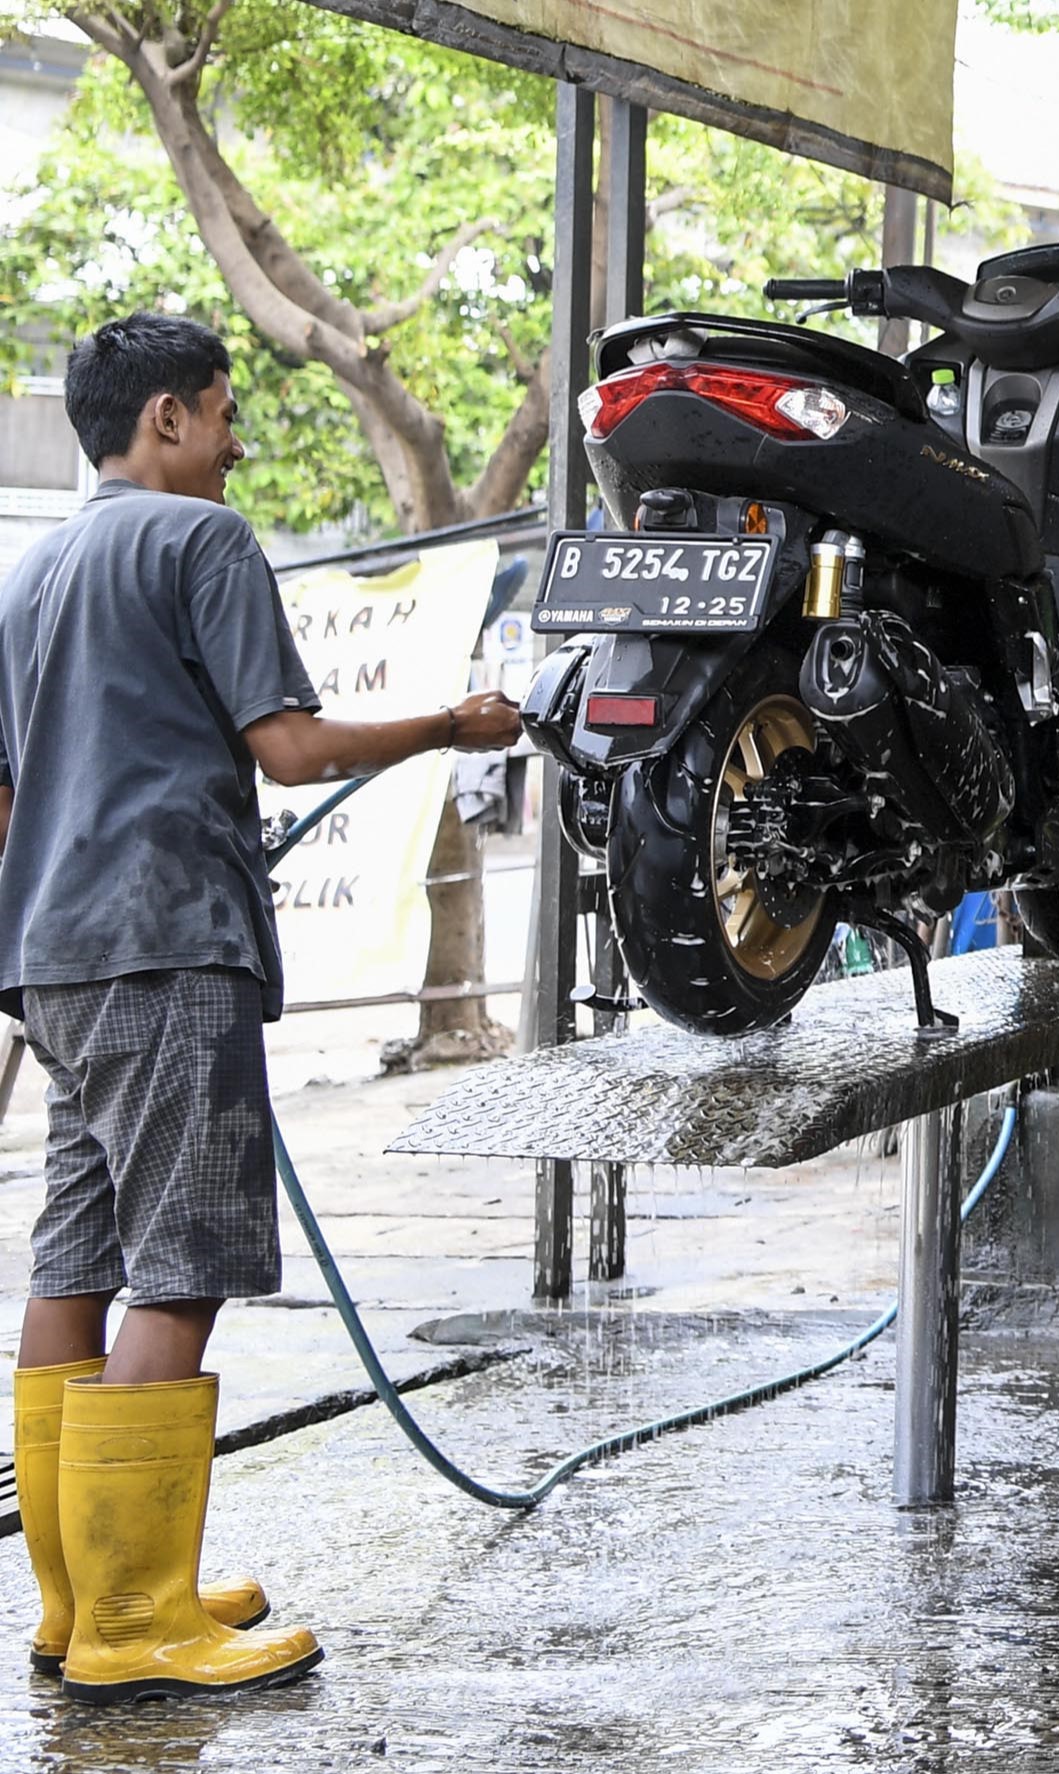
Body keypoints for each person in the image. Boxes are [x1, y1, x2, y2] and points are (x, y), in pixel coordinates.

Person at [0, 313, 522, 1704]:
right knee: (180, 1264)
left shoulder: (32, 570)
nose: (234, 444)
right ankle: (133, 1617)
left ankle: (80, 1598)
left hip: (56, 958)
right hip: (169, 943)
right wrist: (448, 726)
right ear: (164, 418)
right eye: (223, 414)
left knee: (77, 1259)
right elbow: (286, 747)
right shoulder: (200, 544)